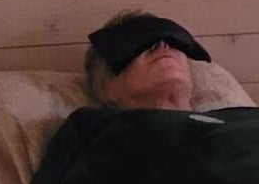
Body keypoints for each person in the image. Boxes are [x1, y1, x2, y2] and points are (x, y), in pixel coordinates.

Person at [82, 11, 211, 110]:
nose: (162, 46)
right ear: (107, 87)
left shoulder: (227, 117)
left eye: (174, 43)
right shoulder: (93, 132)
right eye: (142, 44)